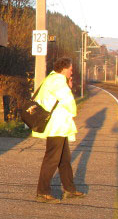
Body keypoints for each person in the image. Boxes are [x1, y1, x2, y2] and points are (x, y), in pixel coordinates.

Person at [32, 57, 85, 202]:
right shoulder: (58, 81)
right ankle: (42, 193)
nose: (71, 72)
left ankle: (70, 190)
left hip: (59, 126)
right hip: (56, 126)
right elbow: (68, 101)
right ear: (64, 68)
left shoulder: (51, 78)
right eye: (70, 69)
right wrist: (74, 111)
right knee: (52, 159)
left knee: (64, 160)